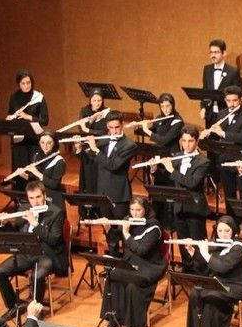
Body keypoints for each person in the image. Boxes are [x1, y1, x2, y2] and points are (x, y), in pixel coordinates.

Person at [0, 181, 67, 313]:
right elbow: (16, 236)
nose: (35, 202)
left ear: (44, 195)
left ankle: (35, 311)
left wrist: (35, 223)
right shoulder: (23, 209)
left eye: (38, 197)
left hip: (47, 253)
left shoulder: (56, 212)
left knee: (37, 276)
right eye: (31, 198)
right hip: (26, 252)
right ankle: (14, 307)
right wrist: (5, 223)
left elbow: (53, 240)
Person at [97, 197, 165, 327]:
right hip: (130, 263)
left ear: (145, 210)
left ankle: (135, 326)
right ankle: (114, 317)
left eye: (138, 210)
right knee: (113, 275)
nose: (134, 213)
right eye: (132, 210)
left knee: (131, 285)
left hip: (149, 267)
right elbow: (116, 237)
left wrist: (127, 233)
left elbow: (141, 250)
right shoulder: (128, 220)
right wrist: (109, 229)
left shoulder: (154, 227)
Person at [184, 216, 242, 327]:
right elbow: (206, 267)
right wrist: (193, 252)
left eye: (227, 231)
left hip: (236, 285)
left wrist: (204, 252)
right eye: (220, 230)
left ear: (233, 230)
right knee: (195, 293)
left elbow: (222, 267)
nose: (223, 234)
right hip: (218, 281)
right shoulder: (217, 243)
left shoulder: (239, 247)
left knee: (211, 297)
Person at [201, 85, 242, 231]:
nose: (232, 104)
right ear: (225, 100)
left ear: (241, 100)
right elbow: (215, 136)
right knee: (230, 196)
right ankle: (233, 227)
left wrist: (223, 133)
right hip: (224, 160)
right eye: (229, 101)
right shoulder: (222, 114)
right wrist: (207, 134)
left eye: (234, 101)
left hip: (241, 160)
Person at [161, 125, 211, 271]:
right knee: (183, 243)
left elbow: (192, 182)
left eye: (190, 141)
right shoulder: (177, 157)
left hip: (195, 208)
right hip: (179, 206)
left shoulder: (203, 161)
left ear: (196, 142)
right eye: (184, 141)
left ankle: (200, 273)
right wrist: (156, 169)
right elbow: (168, 176)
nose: (187, 145)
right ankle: (187, 270)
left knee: (197, 243)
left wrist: (171, 170)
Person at [87, 112, 136, 256]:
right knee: (108, 228)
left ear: (122, 126)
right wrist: (81, 147)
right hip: (103, 191)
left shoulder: (129, 145)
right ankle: (113, 260)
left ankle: (127, 260)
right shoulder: (104, 141)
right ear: (107, 127)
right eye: (111, 128)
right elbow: (91, 157)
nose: (114, 131)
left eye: (117, 127)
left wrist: (95, 150)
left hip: (119, 193)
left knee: (122, 228)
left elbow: (113, 165)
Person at [143, 93, 184, 229]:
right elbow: (151, 131)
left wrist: (148, 132)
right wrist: (143, 125)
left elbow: (163, 140)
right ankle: (157, 223)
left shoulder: (177, 121)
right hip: (159, 158)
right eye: (162, 106)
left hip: (172, 159)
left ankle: (170, 225)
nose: (165, 109)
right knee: (158, 191)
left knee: (170, 192)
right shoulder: (160, 118)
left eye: (168, 106)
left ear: (173, 105)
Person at [6, 69, 49, 191]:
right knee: (20, 169)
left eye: (28, 82)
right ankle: (20, 197)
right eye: (23, 83)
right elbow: (10, 113)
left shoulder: (38, 97)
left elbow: (45, 120)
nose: (26, 85)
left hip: (33, 140)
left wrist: (27, 117)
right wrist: (9, 118)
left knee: (32, 169)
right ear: (18, 84)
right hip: (19, 139)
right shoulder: (14, 97)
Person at [76, 88, 110, 218]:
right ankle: (89, 210)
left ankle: (101, 210)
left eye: (99, 100)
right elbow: (81, 130)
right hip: (87, 151)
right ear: (90, 100)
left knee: (100, 179)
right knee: (88, 179)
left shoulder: (106, 112)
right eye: (94, 100)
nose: (97, 103)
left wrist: (88, 129)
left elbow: (105, 132)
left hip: (100, 149)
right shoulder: (85, 111)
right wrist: (89, 122)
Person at [23, 133, 65, 208]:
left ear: (54, 143)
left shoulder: (59, 161)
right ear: (39, 143)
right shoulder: (36, 156)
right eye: (42, 142)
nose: (45, 146)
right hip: (38, 196)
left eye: (49, 143)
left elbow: (54, 184)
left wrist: (36, 172)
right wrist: (24, 175)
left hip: (52, 198)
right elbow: (34, 179)